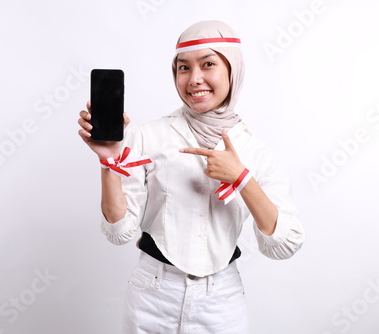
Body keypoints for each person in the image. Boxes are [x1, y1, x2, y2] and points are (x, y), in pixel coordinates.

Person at [78, 20, 305, 334]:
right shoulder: (148, 136)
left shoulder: (256, 150)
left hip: (221, 301)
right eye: (183, 68)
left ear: (233, 69)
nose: (194, 79)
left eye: (208, 64)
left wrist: (241, 178)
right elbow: (119, 232)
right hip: (151, 296)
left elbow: (284, 244)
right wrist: (109, 163)